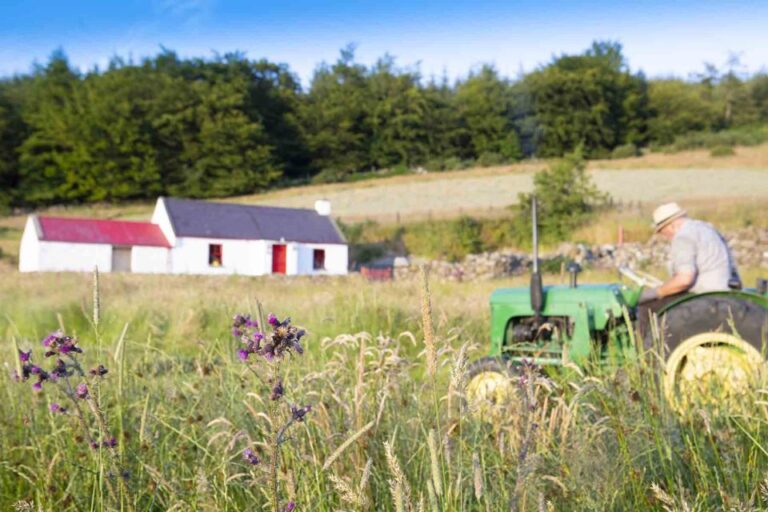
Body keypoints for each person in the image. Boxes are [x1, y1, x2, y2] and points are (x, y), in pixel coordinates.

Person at [637, 202, 740, 338]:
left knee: (646, 307)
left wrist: (656, 292)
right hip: (724, 289)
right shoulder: (706, 228)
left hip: (704, 294)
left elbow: (685, 279)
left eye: (662, 231)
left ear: (671, 225)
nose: (664, 235)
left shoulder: (683, 237)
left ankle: (645, 354)